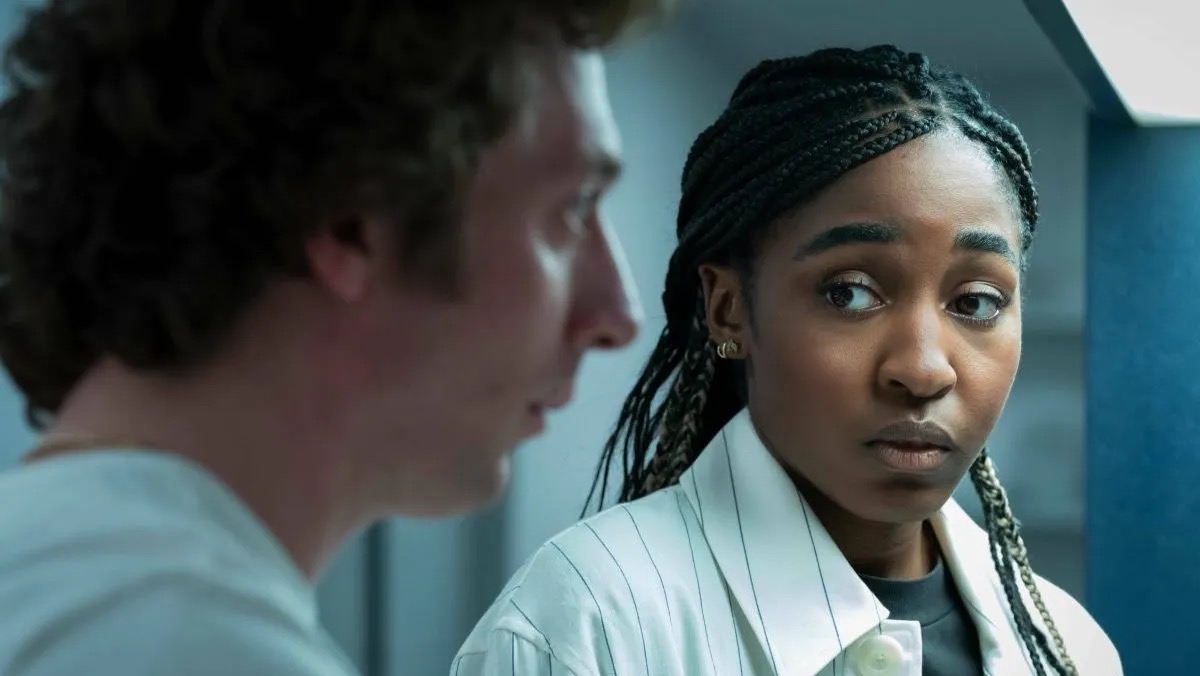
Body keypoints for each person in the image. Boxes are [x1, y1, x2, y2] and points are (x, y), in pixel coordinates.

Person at [0, 1, 669, 673]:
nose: (618, 314)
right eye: (573, 208)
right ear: (353, 219)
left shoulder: (49, 578)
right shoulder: (200, 648)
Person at [453, 45, 1122, 676]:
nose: (923, 369)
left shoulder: (1069, 646)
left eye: (976, 302)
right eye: (850, 292)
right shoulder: (584, 626)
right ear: (728, 310)